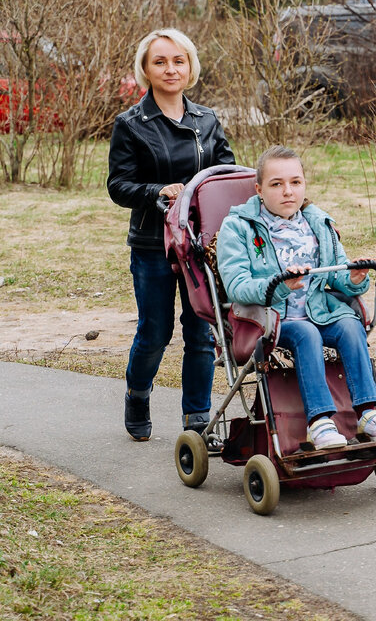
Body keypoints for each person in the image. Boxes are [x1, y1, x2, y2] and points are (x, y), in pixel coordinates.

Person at [214, 145, 376, 449]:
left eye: (295, 182)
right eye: (277, 184)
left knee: (349, 323)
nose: (288, 191)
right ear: (259, 189)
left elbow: (336, 276)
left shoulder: (318, 222)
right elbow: (237, 285)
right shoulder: (238, 227)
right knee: (305, 333)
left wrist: (354, 279)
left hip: (317, 311)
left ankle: (369, 413)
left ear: (304, 184)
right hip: (268, 317)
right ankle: (319, 422)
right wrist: (279, 285)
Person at [107, 28, 235, 441]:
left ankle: (197, 418)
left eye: (178, 60)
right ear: (145, 69)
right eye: (160, 61)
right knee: (155, 332)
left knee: (201, 331)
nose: (170, 69)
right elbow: (118, 186)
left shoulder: (207, 120)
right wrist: (156, 192)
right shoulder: (130, 124)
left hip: (200, 245)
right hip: (152, 245)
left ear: (190, 66)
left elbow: (228, 174)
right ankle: (137, 392)